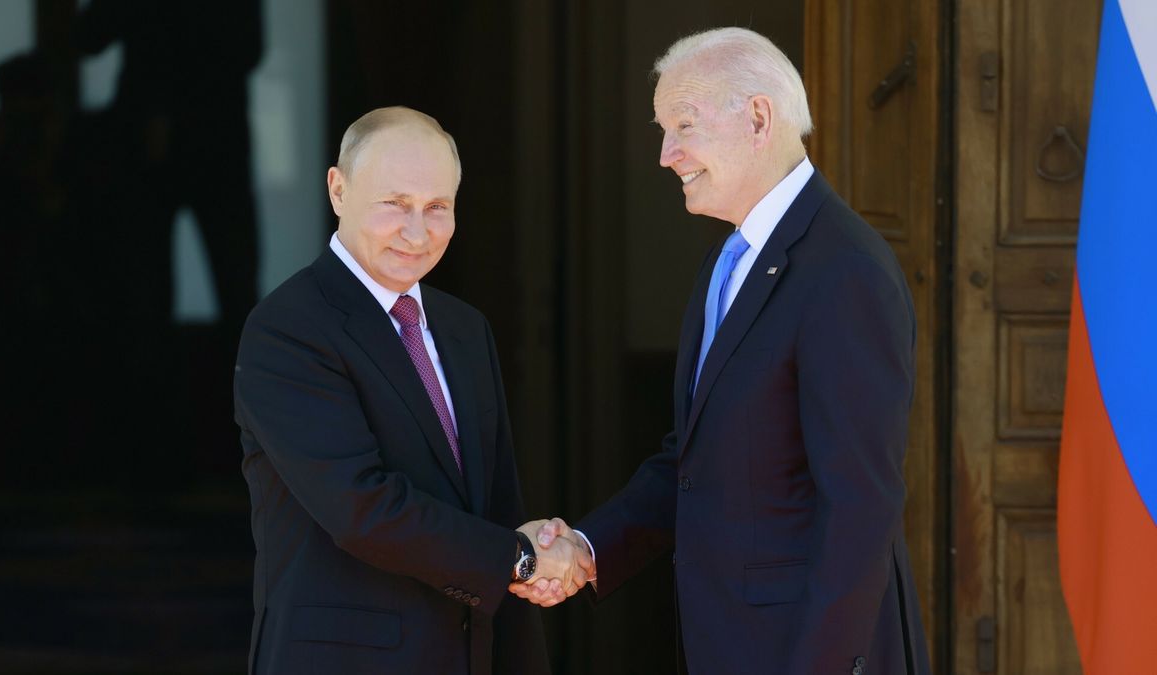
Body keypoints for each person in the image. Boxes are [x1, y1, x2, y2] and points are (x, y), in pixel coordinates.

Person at [514, 27, 932, 675]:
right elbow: (693, 456)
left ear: (759, 118)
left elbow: (860, 506)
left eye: (682, 125)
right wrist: (590, 544)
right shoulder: (731, 261)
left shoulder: (844, 270)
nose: (664, 153)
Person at [234, 107, 589, 674]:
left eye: (437, 208)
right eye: (395, 204)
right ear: (338, 190)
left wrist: (525, 568)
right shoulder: (289, 329)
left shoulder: (464, 328)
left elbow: (498, 506)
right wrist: (520, 560)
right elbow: (362, 509)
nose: (418, 231)